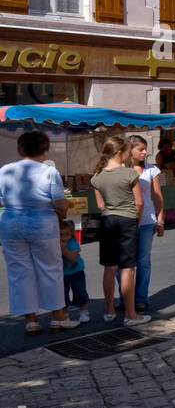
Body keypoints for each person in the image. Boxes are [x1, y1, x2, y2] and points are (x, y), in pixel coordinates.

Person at [0, 130, 77, 333]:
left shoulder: (6, 170)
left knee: (19, 273)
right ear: (45, 150)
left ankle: (31, 321)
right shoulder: (49, 172)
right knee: (50, 270)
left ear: (20, 148)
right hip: (43, 225)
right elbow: (60, 205)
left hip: (12, 225)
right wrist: (60, 217)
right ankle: (57, 318)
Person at [92, 135, 149, 325]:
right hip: (127, 220)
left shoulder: (97, 177)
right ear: (119, 152)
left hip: (107, 220)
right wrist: (137, 221)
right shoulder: (130, 174)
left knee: (109, 267)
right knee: (128, 269)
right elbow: (139, 203)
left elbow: (100, 205)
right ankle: (131, 314)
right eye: (126, 151)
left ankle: (109, 311)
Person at [123, 135, 164, 312]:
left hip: (147, 219)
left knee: (143, 260)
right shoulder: (121, 169)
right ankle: (125, 296)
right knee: (124, 262)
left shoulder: (151, 170)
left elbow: (157, 196)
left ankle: (140, 297)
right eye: (140, 149)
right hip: (126, 220)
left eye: (145, 148)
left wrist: (160, 219)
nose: (145, 152)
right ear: (130, 150)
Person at [60, 219, 91, 323]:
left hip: (76, 272)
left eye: (67, 234)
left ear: (72, 234)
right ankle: (64, 314)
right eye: (61, 234)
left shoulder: (73, 243)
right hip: (62, 274)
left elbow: (72, 258)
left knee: (80, 292)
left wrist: (63, 248)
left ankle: (84, 312)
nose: (63, 237)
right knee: (63, 294)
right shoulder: (56, 244)